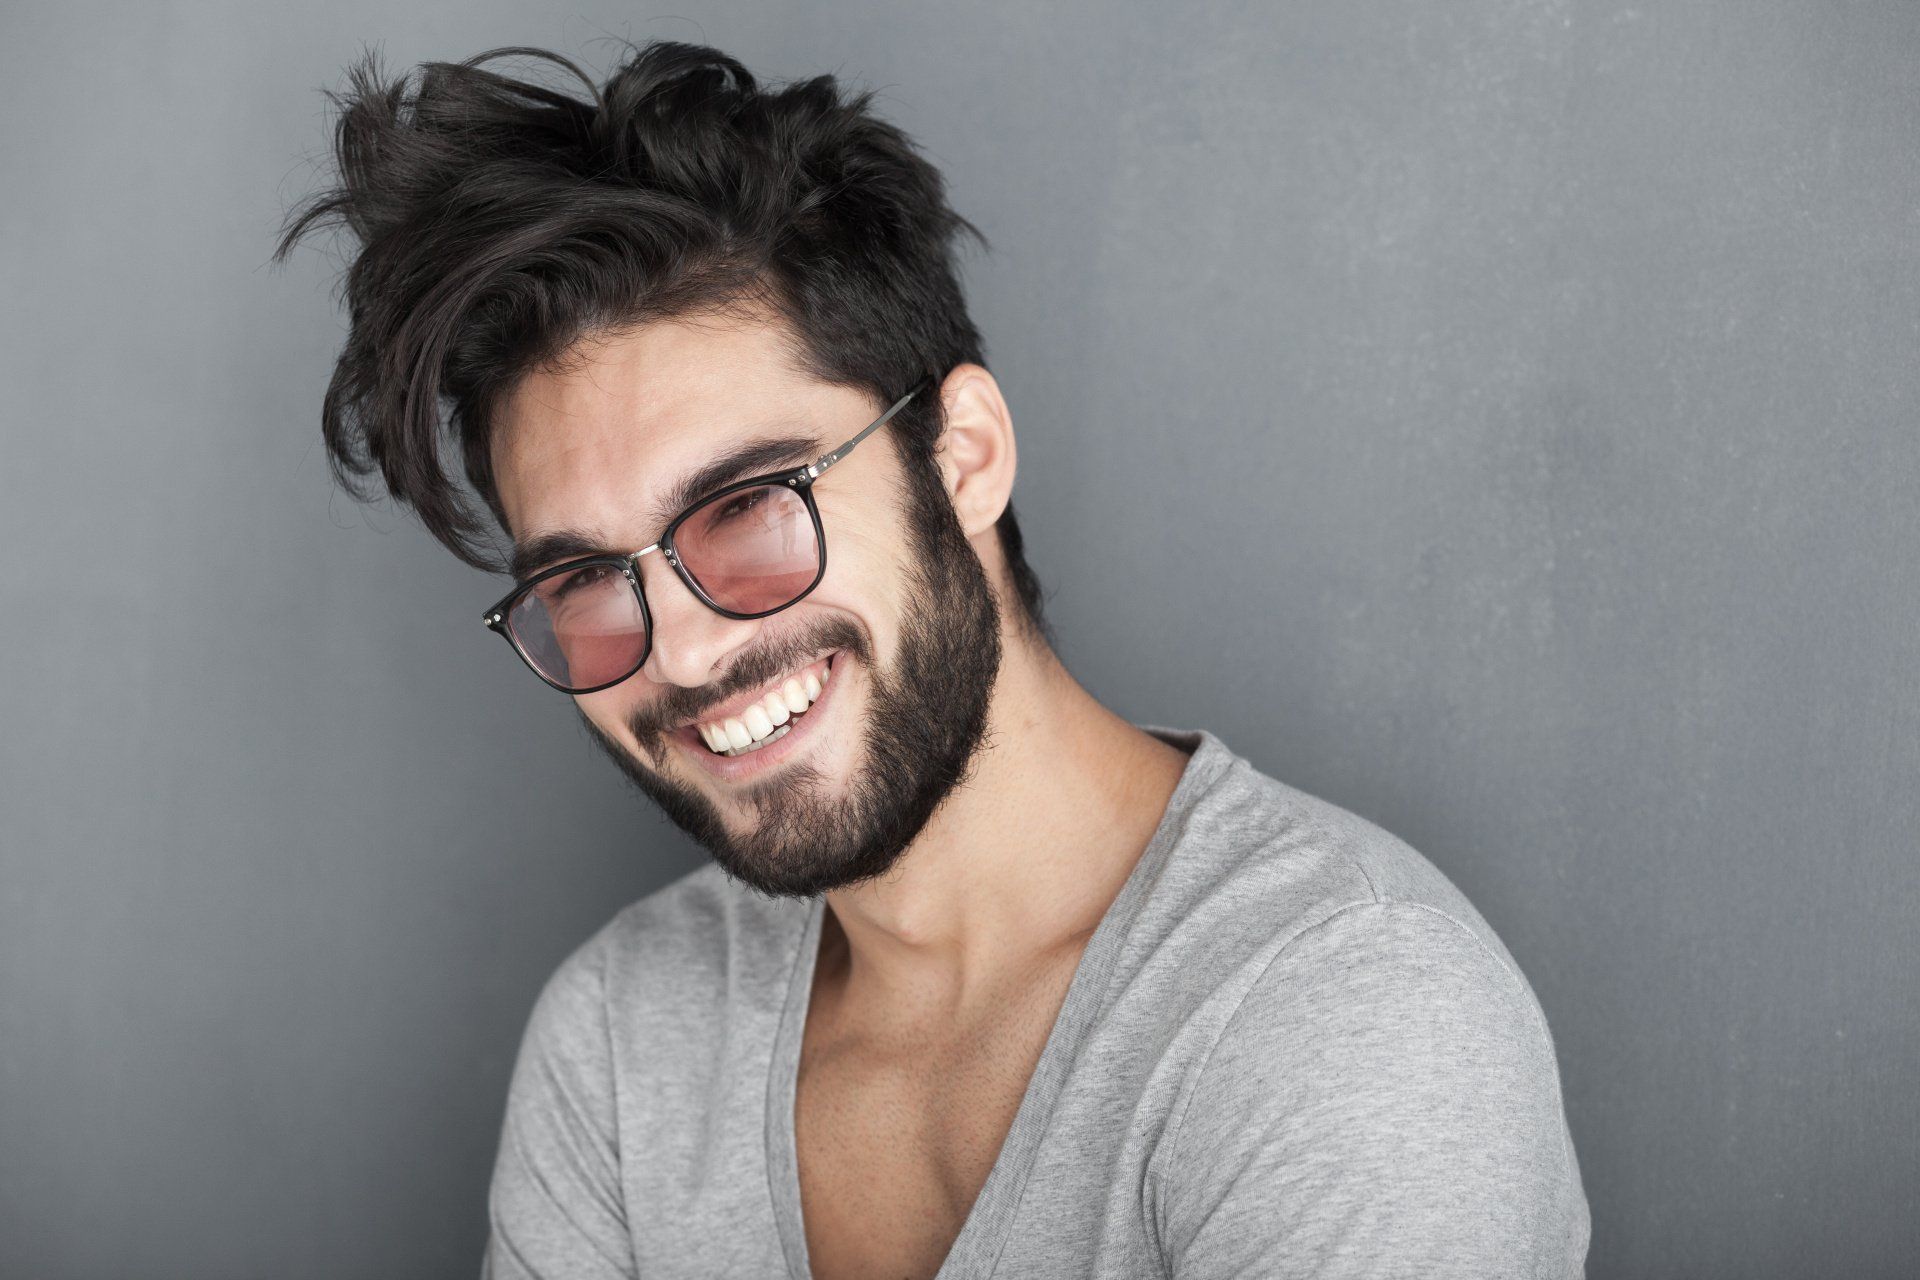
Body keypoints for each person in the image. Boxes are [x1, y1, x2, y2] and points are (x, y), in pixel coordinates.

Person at [277, 38, 1590, 1279]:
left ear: (962, 456)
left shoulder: (1344, 1015)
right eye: (579, 580)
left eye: (744, 508)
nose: (676, 647)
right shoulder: (625, 1039)